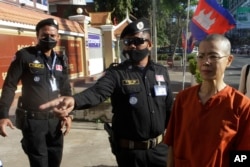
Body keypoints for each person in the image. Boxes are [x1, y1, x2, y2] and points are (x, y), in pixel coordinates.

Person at [40, 18, 174, 167]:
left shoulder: (161, 72)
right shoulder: (116, 73)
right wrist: (75, 101)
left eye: (138, 41)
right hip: (130, 154)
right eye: (128, 42)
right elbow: (97, 92)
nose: (133, 46)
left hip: (160, 151)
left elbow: (170, 110)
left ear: (149, 44)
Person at [164, 34, 250, 167]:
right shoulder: (183, 99)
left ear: (229, 60)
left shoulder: (241, 105)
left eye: (213, 56)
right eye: (201, 56)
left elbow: (243, 156)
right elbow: (172, 144)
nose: (206, 61)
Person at [0, 18, 73, 167]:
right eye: (44, 35)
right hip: (33, 122)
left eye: (53, 35)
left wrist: (69, 115)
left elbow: (66, 91)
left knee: (55, 160)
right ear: (37, 36)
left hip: (55, 121)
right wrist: (3, 115)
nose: (49, 38)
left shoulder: (60, 60)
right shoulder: (25, 56)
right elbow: (9, 86)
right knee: (39, 162)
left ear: (58, 37)